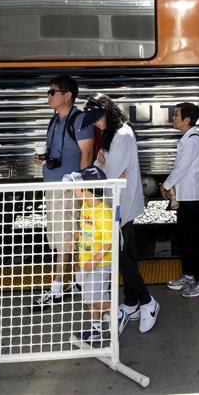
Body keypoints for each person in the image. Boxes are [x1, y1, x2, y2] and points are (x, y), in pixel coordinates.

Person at [80, 94, 159, 334]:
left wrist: (105, 168)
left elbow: (109, 170)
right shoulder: (111, 133)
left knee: (121, 255)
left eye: (97, 119)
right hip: (112, 202)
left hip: (121, 204)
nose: (94, 123)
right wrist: (104, 167)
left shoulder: (122, 135)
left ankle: (148, 302)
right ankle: (133, 302)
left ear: (107, 113)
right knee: (127, 255)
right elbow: (101, 166)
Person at [34, 75, 94, 307]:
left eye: (52, 92)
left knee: (65, 237)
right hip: (54, 185)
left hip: (69, 187)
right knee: (68, 235)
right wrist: (42, 157)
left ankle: (57, 287)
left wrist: (80, 186)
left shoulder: (79, 120)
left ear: (67, 95)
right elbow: (55, 150)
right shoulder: (55, 120)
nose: (48, 96)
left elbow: (86, 155)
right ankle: (79, 280)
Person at [161, 102, 199, 299]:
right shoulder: (188, 138)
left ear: (187, 120)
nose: (172, 118)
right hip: (186, 198)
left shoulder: (192, 140)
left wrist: (165, 185)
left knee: (192, 241)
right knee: (185, 238)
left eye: (176, 115)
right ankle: (190, 276)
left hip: (191, 199)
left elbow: (181, 169)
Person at [65, 167, 115, 348]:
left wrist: (94, 261)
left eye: (77, 186)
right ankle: (96, 330)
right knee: (90, 299)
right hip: (86, 262)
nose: (74, 190)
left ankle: (116, 315)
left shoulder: (104, 212)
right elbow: (84, 229)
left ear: (88, 189)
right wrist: (75, 238)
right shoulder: (86, 205)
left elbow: (109, 242)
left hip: (99, 265)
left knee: (96, 299)